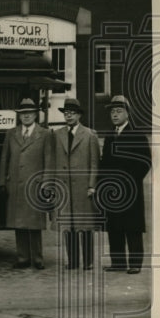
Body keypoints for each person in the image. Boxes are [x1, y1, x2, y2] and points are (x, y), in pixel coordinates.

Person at [0, 97, 52, 271]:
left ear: (36, 115)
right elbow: (4, 159)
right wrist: (2, 181)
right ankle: (22, 257)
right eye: (23, 114)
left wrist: (46, 182)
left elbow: (48, 160)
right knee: (19, 223)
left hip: (35, 185)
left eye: (29, 113)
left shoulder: (45, 134)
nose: (26, 116)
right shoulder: (11, 133)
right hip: (15, 184)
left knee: (34, 224)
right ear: (19, 116)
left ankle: (37, 258)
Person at [99, 94, 150, 274]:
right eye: (112, 112)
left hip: (131, 189)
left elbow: (145, 162)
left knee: (132, 226)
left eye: (119, 111)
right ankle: (118, 263)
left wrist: (130, 180)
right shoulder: (109, 135)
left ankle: (135, 263)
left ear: (127, 113)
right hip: (112, 191)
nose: (115, 115)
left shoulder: (137, 134)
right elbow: (104, 162)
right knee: (114, 226)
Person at [48, 98, 100, 271]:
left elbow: (94, 162)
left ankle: (88, 261)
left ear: (79, 115)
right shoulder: (57, 135)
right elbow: (53, 160)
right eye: (66, 113)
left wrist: (92, 185)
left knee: (84, 225)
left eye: (72, 113)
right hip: (64, 186)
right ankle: (73, 261)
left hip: (82, 187)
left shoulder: (90, 134)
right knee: (68, 226)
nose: (69, 116)